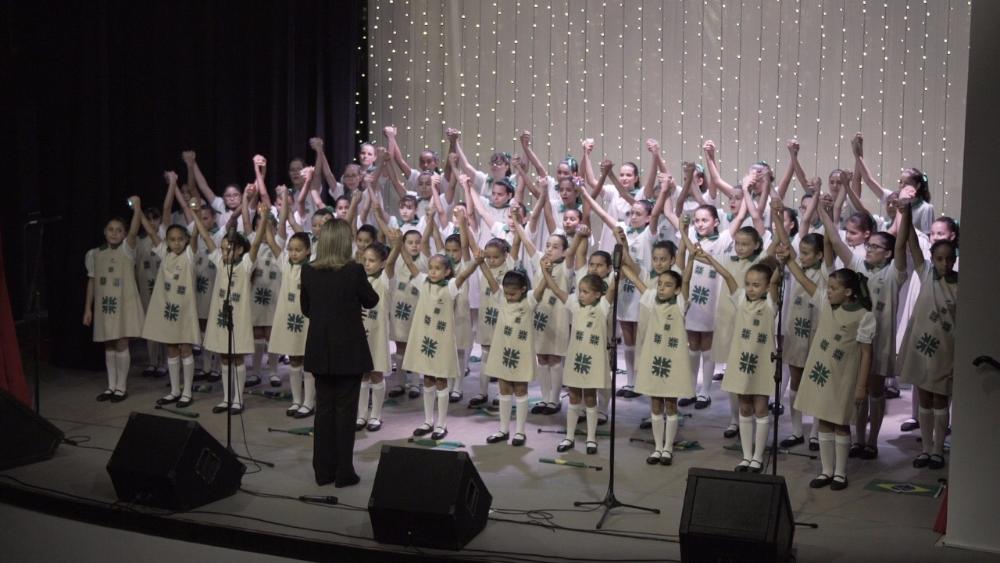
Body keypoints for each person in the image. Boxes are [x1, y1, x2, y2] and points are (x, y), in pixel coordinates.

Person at [301, 219, 379, 488]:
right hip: (348, 349)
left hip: (320, 347)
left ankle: (323, 472)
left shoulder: (308, 270)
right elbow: (371, 300)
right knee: (345, 411)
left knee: (323, 410)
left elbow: (306, 308)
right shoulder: (354, 270)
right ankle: (344, 472)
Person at [786, 258, 875, 492]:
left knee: (840, 423)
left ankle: (840, 473)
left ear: (848, 292)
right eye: (829, 288)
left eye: (834, 288)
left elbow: (867, 354)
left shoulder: (864, 316)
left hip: (844, 377)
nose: (828, 292)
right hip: (822, 374)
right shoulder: (826, 305)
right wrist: (788, 260)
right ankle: (826, 470)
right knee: (824, 420)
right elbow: (802, 280)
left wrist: (861, 386)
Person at [697, 249, 782, 473]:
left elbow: (775, 280)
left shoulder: (771, 304)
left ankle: (758, 457)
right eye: (748, 284)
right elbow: (727, 275)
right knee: (744, 407)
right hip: (741, 362)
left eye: (756, 285)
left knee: (761, 408)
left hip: (762, 363)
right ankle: (746, 456)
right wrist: (710, 259)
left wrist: (781, 262)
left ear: (767, 287)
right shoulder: (741, 298)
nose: (750, 288)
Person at [896, 199, 958, 470]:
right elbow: (911, 243)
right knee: (924, 397)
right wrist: (907, 214)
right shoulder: (925, 272)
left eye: (948, 259)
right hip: (922, 349)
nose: (944, 263)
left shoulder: (960, 285)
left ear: (954, 260)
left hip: (945, 351)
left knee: (940, 399)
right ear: (933, 259)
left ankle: (937, 450)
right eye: (939, 259)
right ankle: (925, 448)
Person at [140, 189, 213, 408]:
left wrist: (196, 212)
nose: (177, 243)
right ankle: (174, 390)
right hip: (168, 311)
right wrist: (138, 210)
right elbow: (151, 232)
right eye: (172, 240)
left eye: (181, 239)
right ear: (167, 242)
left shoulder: (190, 254)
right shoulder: (164, 252)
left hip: (185, 310)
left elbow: (196, 234)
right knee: (171, 349)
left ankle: (187, 392)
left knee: (185, 349)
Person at [83, 197, 145, 402]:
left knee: (121, 343)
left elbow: (134, 230)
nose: (114, 233)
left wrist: (137, 208)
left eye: (119, 230)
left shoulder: (127, 250)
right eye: (110, 229)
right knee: (108, 344)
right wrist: (88, 309)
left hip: (124, 304)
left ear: (124, 234)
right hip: (105, 306)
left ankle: (121, 387)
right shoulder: (94, 254)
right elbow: (92, 281)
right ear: (104, 231)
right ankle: (111, 386)